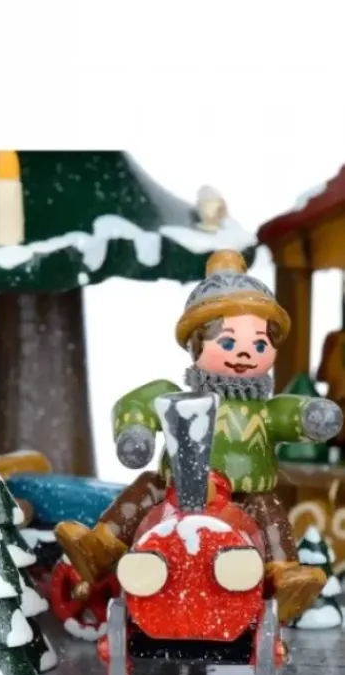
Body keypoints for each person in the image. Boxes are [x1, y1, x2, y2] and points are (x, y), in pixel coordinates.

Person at [56, 249, 341, 624]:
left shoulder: (263, 410)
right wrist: (135, 431)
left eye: (259, 344)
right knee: (146, 488)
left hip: (244, 495)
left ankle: (283, 574)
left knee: (269, 511)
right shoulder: (179, 398)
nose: (245, 353)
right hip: (177, 488)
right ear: (195, 343)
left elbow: (287, 412)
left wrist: (311, 415)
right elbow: (140, 403)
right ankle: (101, 546)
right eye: (228, 343)